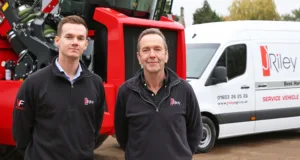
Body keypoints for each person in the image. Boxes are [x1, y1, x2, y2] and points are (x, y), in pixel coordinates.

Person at [12, 15, 106, 160]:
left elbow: (94, 128)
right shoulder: (34, 83)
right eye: (69, 37)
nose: (75, 42)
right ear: (57, 41)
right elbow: (21, 132)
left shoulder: (96, 83)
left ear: (86, 44)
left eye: (80, 38)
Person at [114, 28, 203, 160]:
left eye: (157, 49)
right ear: (139, 57)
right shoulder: (125, 92)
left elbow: (195, 132)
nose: (152, 55)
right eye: (146, 50)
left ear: (166, 55)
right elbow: (122, 137)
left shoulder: (185, 90)